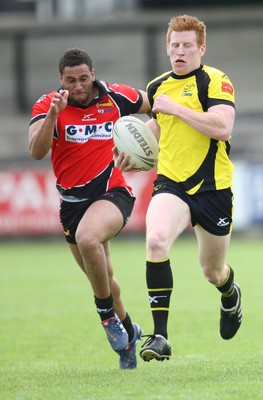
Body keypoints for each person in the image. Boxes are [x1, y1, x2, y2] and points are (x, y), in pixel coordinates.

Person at [117, 14, 242, 362]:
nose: (180, 51)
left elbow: (222, 126)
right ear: (167, 48)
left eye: (188, 45)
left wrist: (177, 107)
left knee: (212, 271)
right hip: (171, 183)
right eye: (174, 45)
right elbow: (158, 127)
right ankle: (160, 337)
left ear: (201, 48)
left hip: (213, 189)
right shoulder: (158, 86)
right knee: (155, 240)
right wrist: (133, 150)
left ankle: (230, 293)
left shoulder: (216, 81)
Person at [28, 47, 151, 369]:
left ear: (92, 74)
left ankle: (106, 316)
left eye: (84, 78)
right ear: (61, 80)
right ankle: (128, 335)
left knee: (88, 239)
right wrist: (55, 114)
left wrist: (150, 143)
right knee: (105, 279)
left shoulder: (116, 97)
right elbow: (36, 151)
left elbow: (159, 105)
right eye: (71, 80)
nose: (78, 86)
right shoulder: (47, 105)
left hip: (113, 194)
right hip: (72, 205)